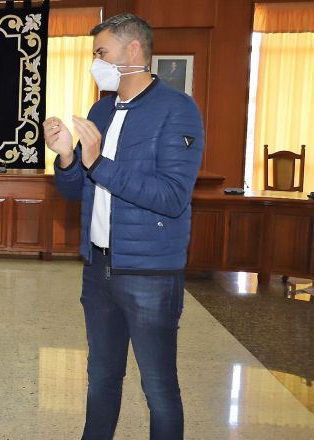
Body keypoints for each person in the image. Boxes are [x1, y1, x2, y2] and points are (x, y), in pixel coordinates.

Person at [43, 13, 204, 440]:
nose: (96, 63)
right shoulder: (101, 109)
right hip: (99, 268)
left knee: (158, 388)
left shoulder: (177, 109)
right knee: (101, 378)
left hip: (150, 272)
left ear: (133, 51)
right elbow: (75, 190)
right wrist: (66, 157)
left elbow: (172, 196)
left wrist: (98, 163)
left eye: (102, 53)